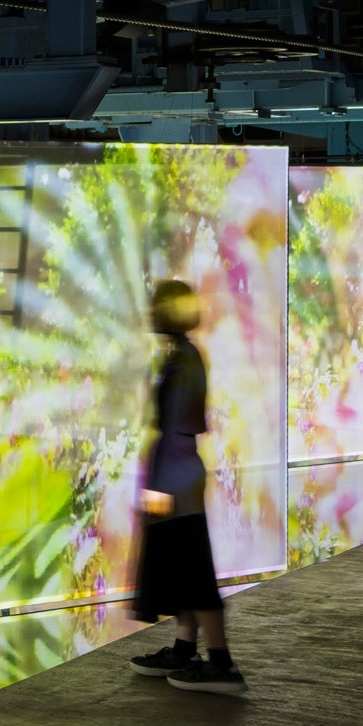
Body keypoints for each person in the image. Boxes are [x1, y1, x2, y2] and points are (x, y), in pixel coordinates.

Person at [128, 279, 246, 696]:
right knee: (181, 567)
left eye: (157, 306)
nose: (150, 313)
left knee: (193, 571)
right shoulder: (182, 356)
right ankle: (184, 649)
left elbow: (179, 425)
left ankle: (221, 663)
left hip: (176, 478)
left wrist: (159, 487)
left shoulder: (184, 360)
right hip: (176, 475)